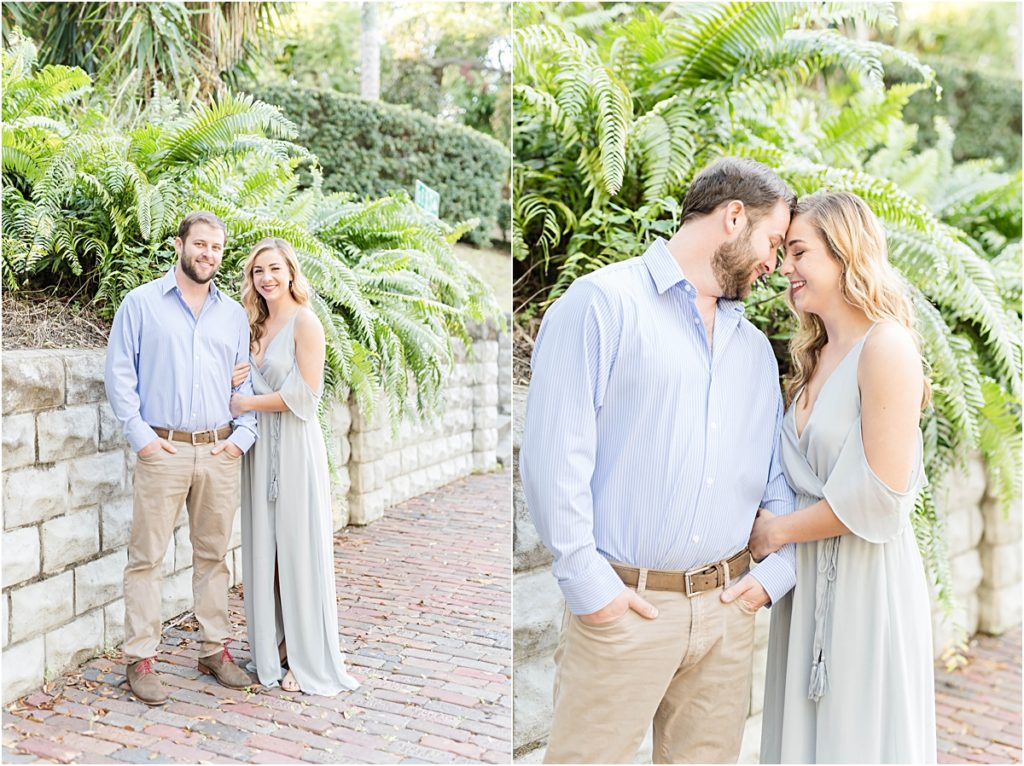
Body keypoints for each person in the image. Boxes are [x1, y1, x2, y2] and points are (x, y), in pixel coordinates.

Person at [520, 157, 798, 764]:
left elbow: (777, 478)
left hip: (728, 616)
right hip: (624, 611)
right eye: (773, 242)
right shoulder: (600, 305)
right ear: (733, 217)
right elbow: (553, 456)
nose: (774, 265)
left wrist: (769, 581)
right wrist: (590, 587)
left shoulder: (752, 350)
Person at [752, 191, 936, 763]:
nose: (786, 269)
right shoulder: (815, 354)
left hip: (864, 583)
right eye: (784, 253)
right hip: (803, 589)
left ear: (845, 253)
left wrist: (776, 533)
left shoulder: (888, 348)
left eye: (800, 252)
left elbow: (880, 499)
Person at [105, 211, 258, 705]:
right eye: (200, 245)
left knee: (214, 556)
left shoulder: (233, 314)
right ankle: (141, 657)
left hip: (218, 450)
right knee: (147, 556)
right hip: (163, 449)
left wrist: (242, 437)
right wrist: (142, 437)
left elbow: (245, 380)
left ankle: (214, 649)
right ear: (179, 245)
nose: (208, 254)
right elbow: (119, 375)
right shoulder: (141, 304)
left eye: (216, 247)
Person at [228, 237, 360, 696]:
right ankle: (274, 648)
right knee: (266, 553)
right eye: (257, 271)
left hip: (295, 451)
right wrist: (233, 379)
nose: (266, 278)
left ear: (290, 272)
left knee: (297, 551)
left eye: (273, 269)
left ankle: (306, 658)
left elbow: (306, 395)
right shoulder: (252, 324)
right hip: (257, 451)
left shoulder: (306, 323)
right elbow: (232, 372)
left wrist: (246, 399)